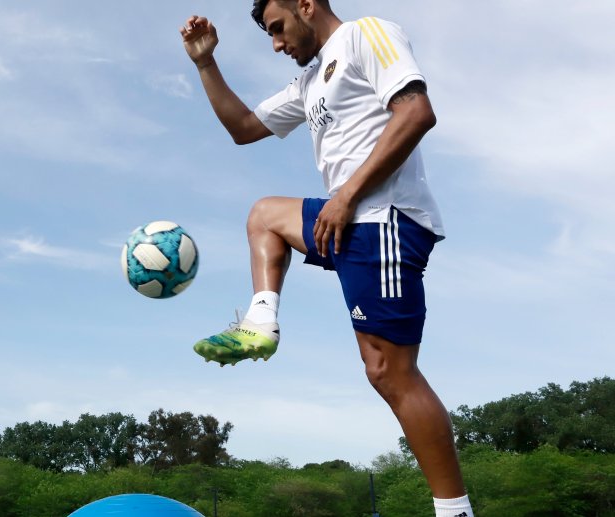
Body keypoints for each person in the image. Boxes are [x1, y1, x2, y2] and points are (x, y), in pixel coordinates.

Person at [179, 1, 473, 516]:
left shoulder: (366, 35)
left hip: (384, 219)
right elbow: (244, 127)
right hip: (348, 219)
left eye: (278, 28)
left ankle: (455, 511)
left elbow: (416, 113)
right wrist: (205, 63)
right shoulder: (310, 81)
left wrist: (347, 196)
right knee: (265, 216)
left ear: (307, 6)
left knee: (390, 372)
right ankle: (260, 322)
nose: (276, 44)